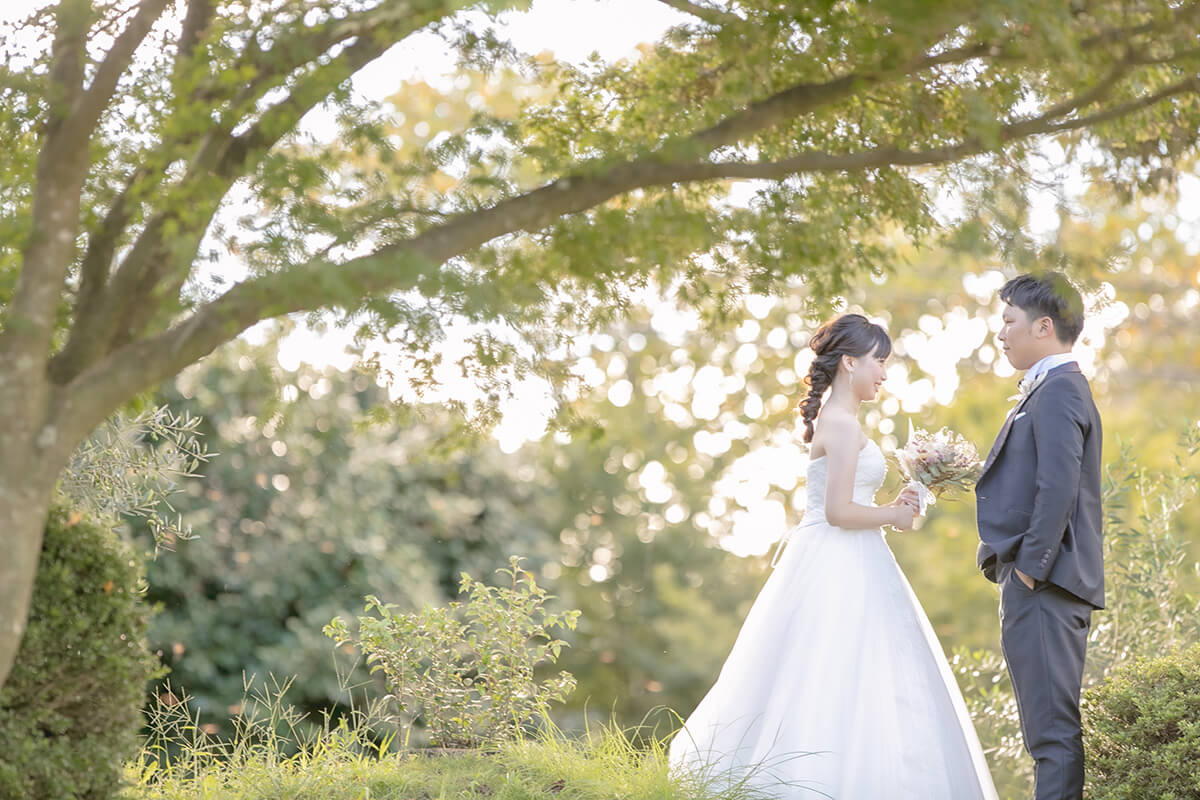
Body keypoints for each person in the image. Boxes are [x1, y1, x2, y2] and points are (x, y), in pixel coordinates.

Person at [670, 313, 997, 799]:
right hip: (838, 563)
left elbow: (853, 507)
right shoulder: (841, 425)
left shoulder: (842, 421)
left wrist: (907, 501)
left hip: (853, 559)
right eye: (878, 361)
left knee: (859, 672)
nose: (884, 373)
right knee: (832, 670)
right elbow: (839, 511)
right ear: (849, 363)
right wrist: (890, 515)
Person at [977, 273, 1104, 800]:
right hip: (1039, 583)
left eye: (1009, 321)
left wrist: (1029, 568)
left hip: (1045, 585)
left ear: (1044, 326)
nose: (1001, 333)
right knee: (1045, 734)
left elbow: (1059, 487)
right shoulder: (1051, 388)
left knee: (1051, 736)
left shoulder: (1058, 390)